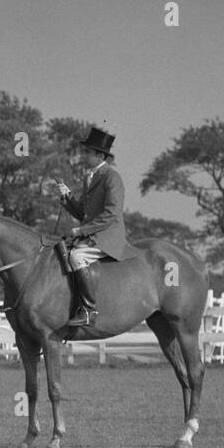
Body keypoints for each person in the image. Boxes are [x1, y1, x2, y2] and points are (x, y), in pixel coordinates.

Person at [55, 126, 138, 327]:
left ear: (99, 155)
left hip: (108, 236)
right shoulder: (89, 177)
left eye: (88, 152)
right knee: (61, 252)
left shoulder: (112, 177)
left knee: (76, 256)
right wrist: (67, 197)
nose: (84, 155)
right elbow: (84, 213)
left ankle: (89, 310)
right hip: (92, 235)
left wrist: (80, 231)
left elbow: (111, 214)